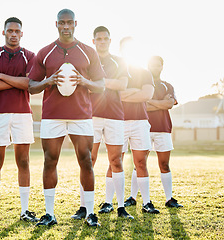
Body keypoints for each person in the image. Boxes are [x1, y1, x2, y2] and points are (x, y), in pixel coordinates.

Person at [28, 9, 105, 227]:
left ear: (75, 24)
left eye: (69, 23)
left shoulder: (88, 51)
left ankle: (90, 213)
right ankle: (49, 214)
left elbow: (101, 85)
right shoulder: (45, 52)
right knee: (50, 160)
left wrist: (85, 81)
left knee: (86, 160)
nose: (66, 27)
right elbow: (31, 86)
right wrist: (48, 81)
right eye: (62, 23)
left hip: (81, 115)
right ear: (56, 24)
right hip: (53, 115)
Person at [71, 26, 133, 220]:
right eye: (99, 38)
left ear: (110, 40)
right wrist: (98, 83)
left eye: (106, 38)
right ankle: (84, 207)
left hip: (115, 115)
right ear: (94, 41)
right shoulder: (87, 60)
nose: (103, 41)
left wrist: (96, 83)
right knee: (89, 160)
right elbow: (83, 86)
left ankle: (121, 207)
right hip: (91, 116)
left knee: (116, 160)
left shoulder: (120, 61)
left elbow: (122, 84)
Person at [0, 17, 38, 224]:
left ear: (22, 33)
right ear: (3, 32)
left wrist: (2, 76)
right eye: (10, 31)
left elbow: (30, 83)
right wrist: (15, 82)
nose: (13, 34)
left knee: (23, 161)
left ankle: (24, 210)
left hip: (22, 113)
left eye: (17, 31)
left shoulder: (30, 56)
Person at [119, 37, 160, 214]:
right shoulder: (115, 71)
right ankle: (109, 203)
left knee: (141, 162)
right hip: (118, 121)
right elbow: (113, 95)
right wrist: (135, 92)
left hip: (140, 122)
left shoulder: (144, 72)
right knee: (115, 161)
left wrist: (124, 94)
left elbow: (147, 95)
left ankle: (147, 202)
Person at [145, 56, 182, 208]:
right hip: (144, 128)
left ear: (162, 67)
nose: (154, 67)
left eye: (157, 65)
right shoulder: (143, 85)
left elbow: (170, 104)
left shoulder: (168, 86)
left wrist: (150, 102)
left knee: (164, 165)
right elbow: (142, 107)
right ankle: (132, 198)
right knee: (139, 164)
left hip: (163, 128)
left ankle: (169, 199)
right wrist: (162, 104)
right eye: (151, 64)